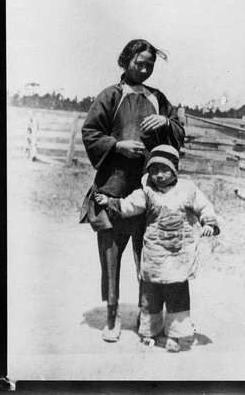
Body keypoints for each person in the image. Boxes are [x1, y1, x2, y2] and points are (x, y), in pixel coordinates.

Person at [79, 39, 185, 342]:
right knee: (111, 256)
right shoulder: (110, 95)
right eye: (140, 62)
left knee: (147, 256)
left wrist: (166, 121)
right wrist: (117, 144)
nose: (145, 68)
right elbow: (90, 132)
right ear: (125, 62)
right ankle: (112, 317)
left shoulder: (158, 98)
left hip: (147, 191)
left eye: (150, 64)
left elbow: (178, 131)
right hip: (112, 189)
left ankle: (145, 314)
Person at [94, 144, 220, 352]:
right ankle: (150, 331)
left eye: (165, 170)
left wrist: (209, 223)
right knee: (150, 294)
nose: (159, 175)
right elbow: (129, 205)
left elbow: (204, 206)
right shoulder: (147, 190)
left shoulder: (188, 190)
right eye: (153, 170)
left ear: (175, 170)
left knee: (177, 295)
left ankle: (175, 336)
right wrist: (109, 202)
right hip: (155, 254)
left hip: (178, 255)